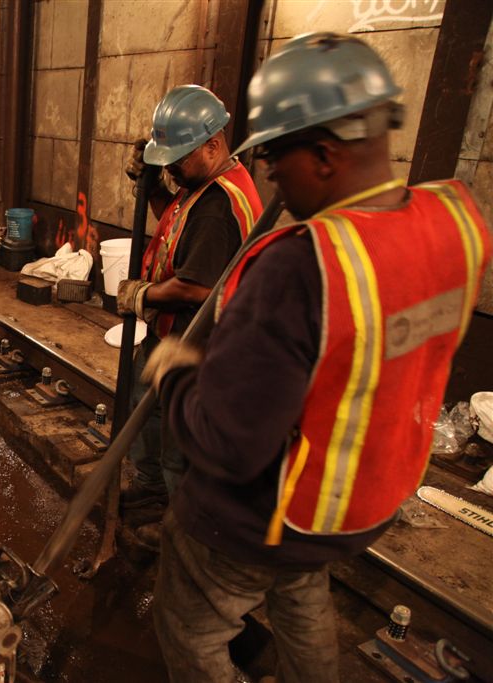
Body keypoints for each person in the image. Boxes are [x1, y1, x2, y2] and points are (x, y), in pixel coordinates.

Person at [145, 33, 490, 682]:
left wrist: (176, 377)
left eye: (276, 154)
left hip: (261, 513)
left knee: (188, 628)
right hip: (357, 501)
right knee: (301, 592)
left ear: (326, 154)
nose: (268, 172)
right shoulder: (455, 224)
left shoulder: (302, 266)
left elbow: (228, 443)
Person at [114, 85, 262, 530]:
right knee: (148, 419)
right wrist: (153, 183)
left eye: (176, 159)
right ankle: (150, 490)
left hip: (199, 351)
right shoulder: (205, 183)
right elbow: (179, 225)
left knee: (178, 446)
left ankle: (180, 531)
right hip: (172, 339)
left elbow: (199, 287)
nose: (172, 169)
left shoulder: (220, 205)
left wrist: (142, 294)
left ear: (213, 144)